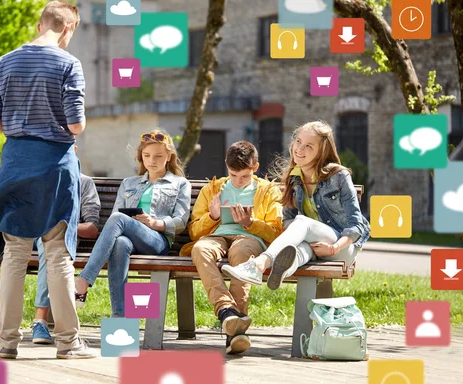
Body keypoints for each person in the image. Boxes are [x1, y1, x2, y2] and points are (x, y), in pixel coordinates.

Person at [0, 1, 94, 359]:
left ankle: (7, 342)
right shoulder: (69, 63)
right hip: (55, 165)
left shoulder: (6, 60)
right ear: (68, 27)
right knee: (56, 255)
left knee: (13, 252)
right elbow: (76, 125)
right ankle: (68, 343)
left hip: (15, 163)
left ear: (42, 24)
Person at [222, 121, 370, 291]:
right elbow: (287, 221)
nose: (299, 149)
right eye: (298, 141)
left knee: (302, 221)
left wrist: (333, 248)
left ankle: (258, 265)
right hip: (314, 247)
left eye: (309, 146)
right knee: (298, 250)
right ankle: (282, 271)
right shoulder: (295, 178)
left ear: (321, 151)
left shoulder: (339, 176)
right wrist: (299, 234)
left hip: (342, 248)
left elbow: (356, 225)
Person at [180, 141, 283, 355]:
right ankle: (228, 314)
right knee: (200, 249)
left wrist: (250, 223)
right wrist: (213, 216)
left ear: (255, 167)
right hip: (216, 235)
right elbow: (194, 232)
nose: (238, 181)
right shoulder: (214, 189)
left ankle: (232, 328)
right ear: (227, 167)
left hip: (249, 237)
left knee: (242, 252)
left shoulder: (268, 191)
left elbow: (277, 232)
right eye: (233, 175)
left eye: (244, 176)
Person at [74, 130, 191, 317]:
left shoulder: (180, 184)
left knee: (119, 219)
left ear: (168, 156)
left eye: (158, 156)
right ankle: (120, 319)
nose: (151, 160)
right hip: (129, 239)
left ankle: (84, 280)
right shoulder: (129, 183)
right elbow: (116, 217)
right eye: (147, 156)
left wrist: (155, 223)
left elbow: (181, 221)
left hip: (157, 241)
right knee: (120, 243)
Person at [0, 171, 100, 344]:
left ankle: (40, 321)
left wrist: (63, 227)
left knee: (48, 240)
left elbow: (92, 228)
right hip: (26, 233)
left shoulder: (84, 182)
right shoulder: (35, 176)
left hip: (56, 238)